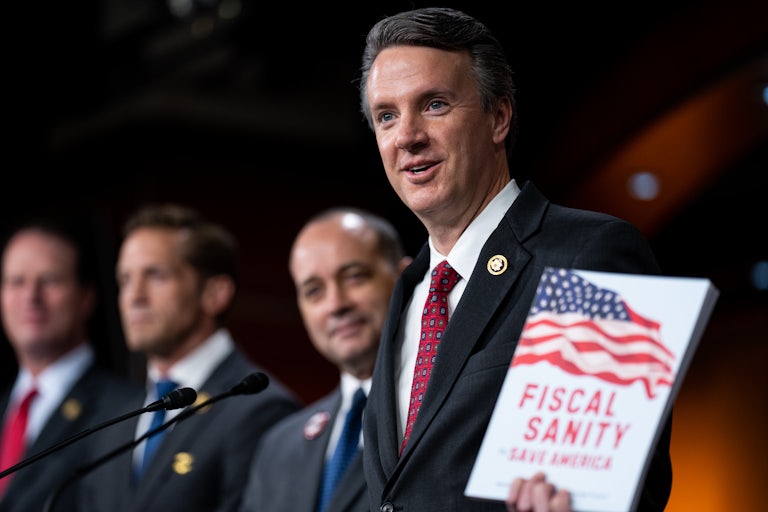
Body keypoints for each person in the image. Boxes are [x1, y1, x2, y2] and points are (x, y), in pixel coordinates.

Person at [357, 7, 673, 512]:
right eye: (387, 116)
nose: (407, 136)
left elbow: (632, 485)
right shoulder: (409, 287)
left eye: (434, 104)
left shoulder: (587, 254)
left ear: (498, 117)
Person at [80, 203, 302, 512]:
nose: (135, 296)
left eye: (155, 275)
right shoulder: (115, 424)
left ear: (215, 294)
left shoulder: (259, 409)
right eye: (125, 280)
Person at [240, 207, 412, 512]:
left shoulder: (442, 414)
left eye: (355, 277)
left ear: (404, 278)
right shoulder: (278, 447)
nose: (336, 304)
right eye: (314, 291)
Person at [0, 215, 142, 512]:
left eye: (49, 281)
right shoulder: (5, 408)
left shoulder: (128, 412)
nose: (30, 297)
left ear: (86, 298)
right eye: (16, 281)